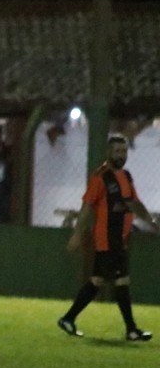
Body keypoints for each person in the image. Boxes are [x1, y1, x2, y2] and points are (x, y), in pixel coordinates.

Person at [58, 134, 159, 340]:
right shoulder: (100, 177)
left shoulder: (126, 176)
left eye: (124, 151)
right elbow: (87, 207)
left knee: (97, 281)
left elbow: (134, 203)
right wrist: (77, 234)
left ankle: (68, 318)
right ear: (108, 153)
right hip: (107, 238)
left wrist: (150, 221)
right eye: (117, 151)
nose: (121, 155)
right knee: (122, 280)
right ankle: (131, 330)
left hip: (119, 237)